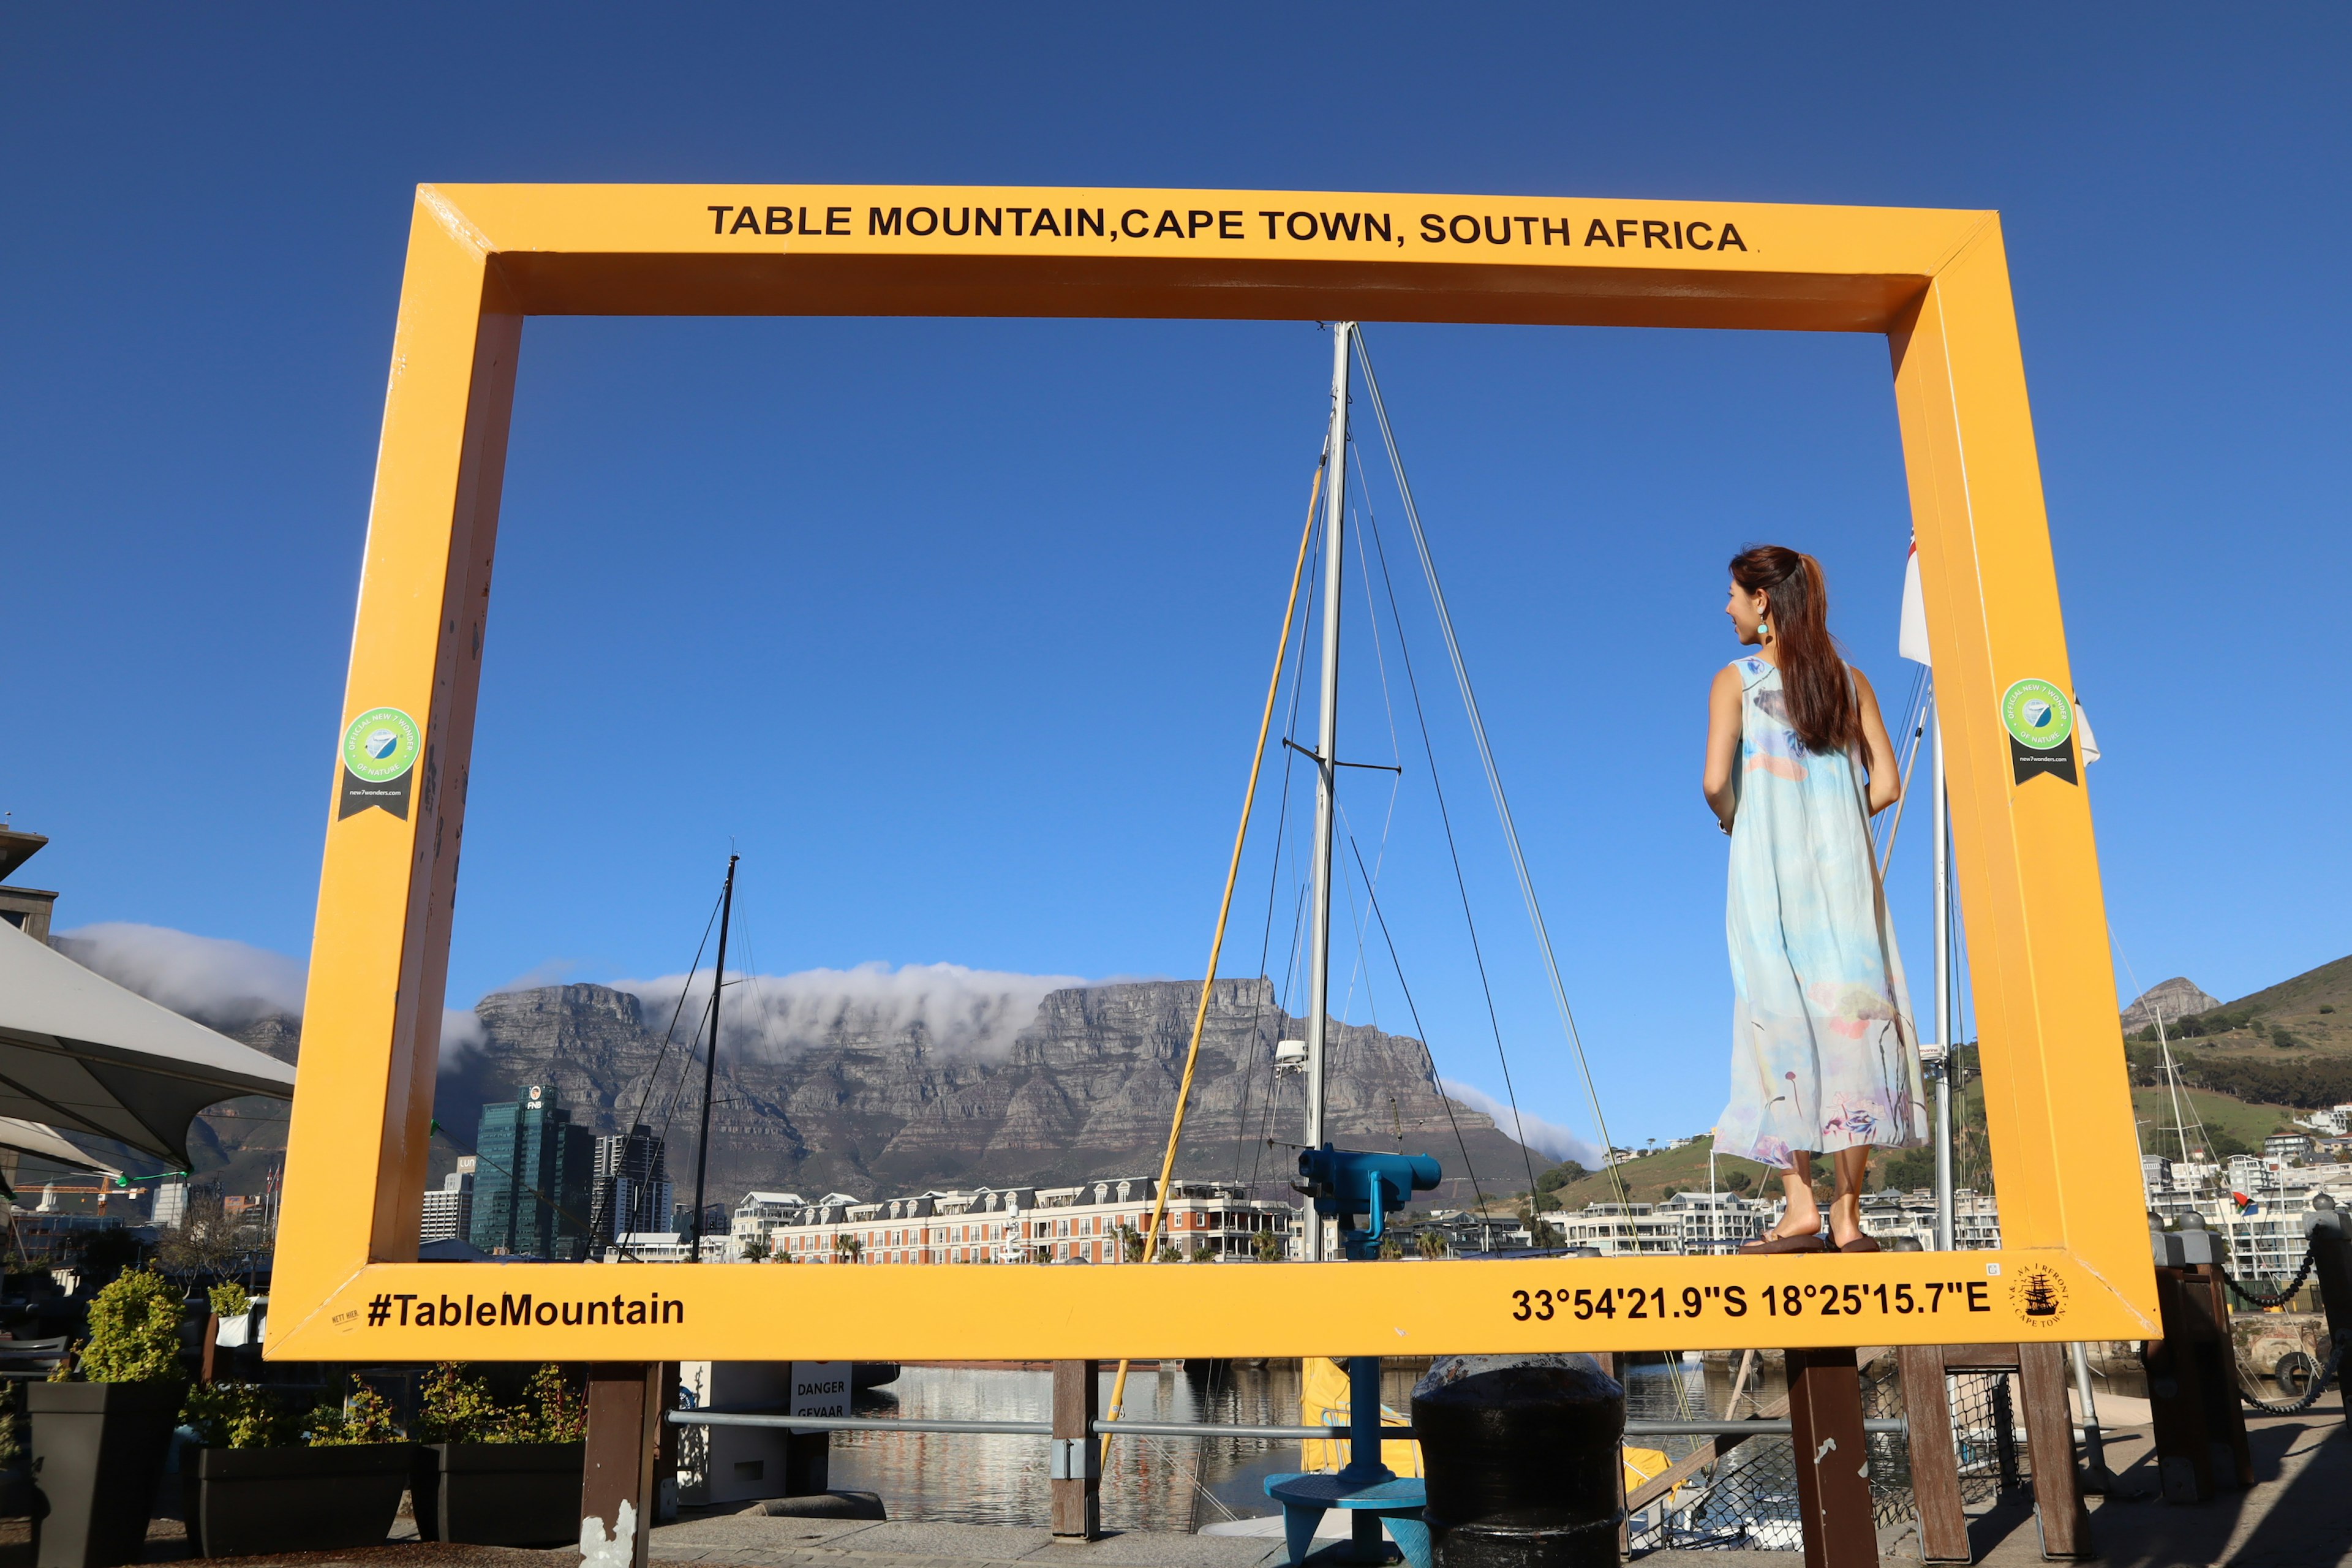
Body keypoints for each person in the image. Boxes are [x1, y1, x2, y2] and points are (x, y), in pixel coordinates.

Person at [1703, 545, 1924, 1254]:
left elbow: (1715, 784)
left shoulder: (1736, 681)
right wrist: (1837, 822)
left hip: (1770, 881)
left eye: (1735, 595)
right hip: (1846, 887)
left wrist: (1742, 815)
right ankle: (1848, 1219)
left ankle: (1799, 1209)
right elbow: (1887, 785)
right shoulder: (1849, 683)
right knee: (1854, 1026)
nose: (1728, 607)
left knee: (1781, 1026)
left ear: (1763, 601)